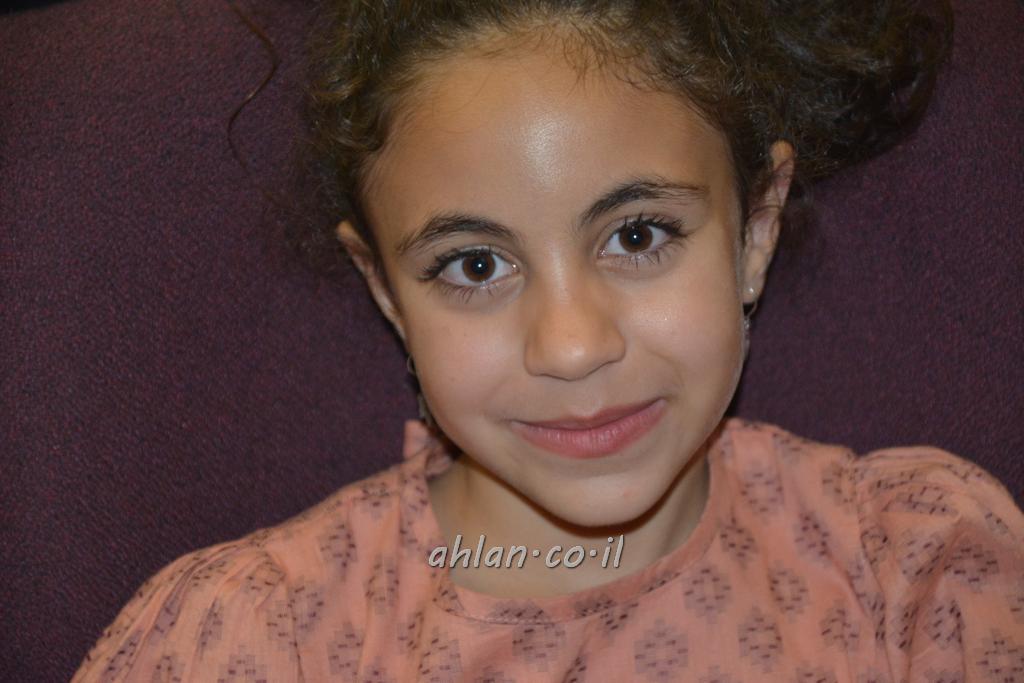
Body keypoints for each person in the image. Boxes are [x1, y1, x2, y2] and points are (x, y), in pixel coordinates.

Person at [72, 1, 1024, 681]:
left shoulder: (911, 576)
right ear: (387, 291)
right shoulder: (258, 638)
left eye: (637, 236)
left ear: (754, 234)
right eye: (476, 264)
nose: (571, 348)